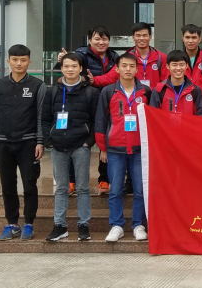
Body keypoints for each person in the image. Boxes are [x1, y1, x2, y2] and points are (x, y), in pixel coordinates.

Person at [0, 44, 46, 241]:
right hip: (3, 143)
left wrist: (40, 141)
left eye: (23, 60)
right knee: (8, 185)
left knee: (30, 184)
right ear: (8, 61)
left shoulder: (38, 85)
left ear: (29, 62)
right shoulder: (0, 85)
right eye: (15, 60)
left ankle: (28, 223)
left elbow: (41, 116)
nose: (19, 63)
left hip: (28, 143)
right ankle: (12, 223)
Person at [94, 53, 152, 242]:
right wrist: (103, 147)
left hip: (139, 149)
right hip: (115, 148)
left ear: (137, 69)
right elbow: (101, 120)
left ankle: (138, 225)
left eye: (132, 66)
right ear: (117, 69)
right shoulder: (108, 91)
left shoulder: (146, 92)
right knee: (116, 189)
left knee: (140, 190)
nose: (128, 69)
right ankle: (116, 225)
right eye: (124, 66)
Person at [42, 53, 98, 242]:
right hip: (58, 146)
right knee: (61, 188)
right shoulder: (52, 92)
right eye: (66, 66)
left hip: (80, 146)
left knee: (82, 187)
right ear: (61, 68)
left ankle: (84, 225)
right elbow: (45, 119)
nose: (70, 69)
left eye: (74, 66)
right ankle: (59, 226)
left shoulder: (91, 92)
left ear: (80, 68)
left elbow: (96, 120)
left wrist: (88, 142)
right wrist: (49, 140)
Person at [57, 26, 119, 196]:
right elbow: (70, 72)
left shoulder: (114, 57)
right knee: (76, 139)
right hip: (83, 101)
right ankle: (71, 180)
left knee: (106, 140)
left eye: (104, 39)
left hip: (107, 102)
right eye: (97, 38)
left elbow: (115, 76)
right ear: (90, 40)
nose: (101, 42)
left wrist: (94, 80)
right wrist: (63, 59)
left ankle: (104, 180)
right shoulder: (81, 54)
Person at [90, 22, 169, 89]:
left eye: (145, 35)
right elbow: (112, 77)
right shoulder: (126, 58)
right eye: (138, 35)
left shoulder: (161, 57)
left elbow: (167, 80)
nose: (141, 38)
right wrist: (93, 80)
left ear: (150, 37)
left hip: (154, 98)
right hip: (133, 98)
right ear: (133, 37)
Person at [149, 50, 202, 116]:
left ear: (186, 66)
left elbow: (200, 116)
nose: (178, 68)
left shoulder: (195, 90)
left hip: (187, 123)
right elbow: (153, 116)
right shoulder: (159, 90)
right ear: (167, 66)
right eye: (174, 65)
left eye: (181, 64)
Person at [181, 24, 202, 88]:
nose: (190, 41)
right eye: (187, 37)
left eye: (194, 37)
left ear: (199, 39)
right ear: (183, 38)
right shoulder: (177, 59)